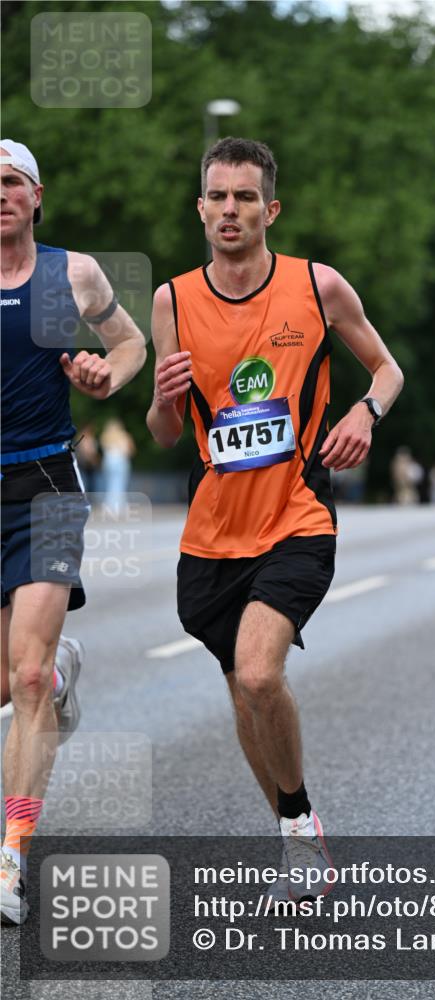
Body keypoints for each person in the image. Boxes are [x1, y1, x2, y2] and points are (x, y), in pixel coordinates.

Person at [147, 137, 403, 901]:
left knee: (261, 673)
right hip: (211, 532)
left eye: (245, 197)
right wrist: (162, 398)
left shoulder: (317, 286)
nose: (230, 210)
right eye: (218, 197)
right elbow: (165, 433)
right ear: (200, 209)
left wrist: (364, 412)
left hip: (297, 514)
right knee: (243, 693)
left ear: (271, 209)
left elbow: (386, 369)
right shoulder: (171, 301)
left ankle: (298, 826)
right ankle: (297, 836)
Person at [0, 140, 146, 925]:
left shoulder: (70, 275)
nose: (0, 194)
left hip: (46, 484)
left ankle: (11, 858)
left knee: (22, 679)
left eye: (11, 181)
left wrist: (104, 376)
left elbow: (130, 344)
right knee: (15, 681)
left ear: (36, 196)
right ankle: (61, 677)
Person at [100, 417, 135, 512]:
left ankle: (109, 504)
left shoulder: (106, 436)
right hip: (120, 459)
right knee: (120, 483)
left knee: (110, 483)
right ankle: (118, 505)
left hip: (108, 460)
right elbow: (130, 450)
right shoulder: (123, 435)